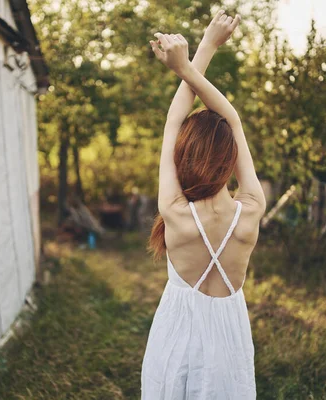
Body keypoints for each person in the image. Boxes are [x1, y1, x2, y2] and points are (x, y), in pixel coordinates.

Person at [141, 10, 267, 400]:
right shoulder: (251, 209)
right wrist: (200, 53)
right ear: (231, 158)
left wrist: (201, 52)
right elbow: (232, 119)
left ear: (183, 155)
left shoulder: (175, 210)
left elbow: (173, 121)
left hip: (175, 340)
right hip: (228, 347)